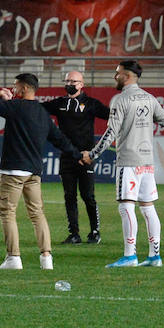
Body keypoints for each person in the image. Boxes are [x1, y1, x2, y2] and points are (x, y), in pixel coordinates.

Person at [0, 65, 76, 271]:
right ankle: (46, 258)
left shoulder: (15, 108)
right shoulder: (42, 113)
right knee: (37, 213)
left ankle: (13, 258)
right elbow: (60, 140)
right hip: (34, 171)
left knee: (7, 213)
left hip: (13, 171)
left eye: (15, 88)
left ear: (23, 89)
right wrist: (80, 156)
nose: (13, 91)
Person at [81, 60, 164, 268]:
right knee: (148, 208)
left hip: (129, 161)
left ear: (127, 76)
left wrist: (93, 154)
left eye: (117, 73)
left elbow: (111, 132)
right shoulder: (149, 98)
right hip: (147, 162)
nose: (115, 76)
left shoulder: (121, 100)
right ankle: (154, 256)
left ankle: (130, 255)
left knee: (126, 207)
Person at [41, 71, 109, 245]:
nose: (69, 83)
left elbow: (113, 116)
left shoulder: (91, 104)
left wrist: (93, 152)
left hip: (86, 157)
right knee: (69, 196)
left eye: (73, 81)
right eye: (67, 80)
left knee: (88, 196)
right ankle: (74, 234)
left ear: (81, 84)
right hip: (67, 156)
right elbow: (37, 108)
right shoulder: (60, 103)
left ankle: (95, 231)